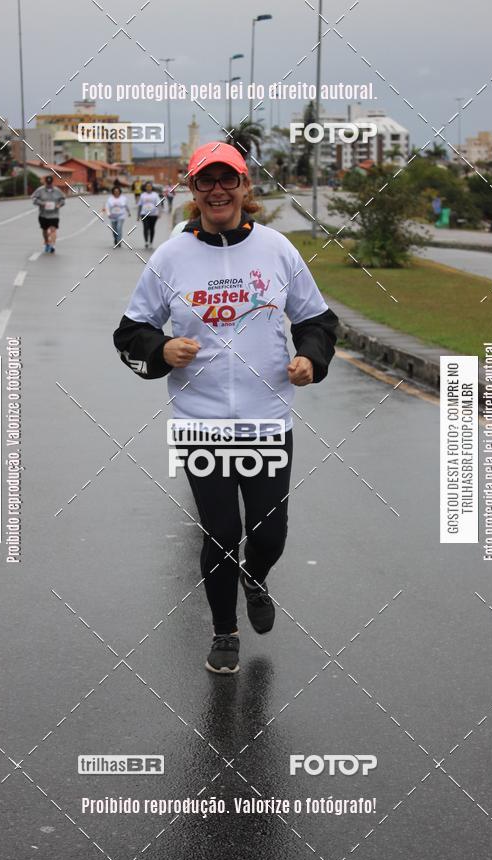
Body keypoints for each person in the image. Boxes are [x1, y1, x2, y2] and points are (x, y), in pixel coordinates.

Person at [113, 142, 338, 675]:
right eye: (205, 181)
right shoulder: (171, 257)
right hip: (201, 423)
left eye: (227, 180)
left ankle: (255, 577)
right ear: (193, 191)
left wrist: (310, 357)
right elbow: (130, 331)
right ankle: (224, 632)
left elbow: (318, 321)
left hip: (267, 418)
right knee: (220, 532)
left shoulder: (278, 250)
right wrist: (160, 350)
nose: (218, 190)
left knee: (269, 535)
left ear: (245, 187)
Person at [32, 174, 65, 254]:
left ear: (52, 183)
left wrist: (59, 205)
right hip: (43, 214)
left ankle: (52, 246)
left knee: (53, 229)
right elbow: (34, 199)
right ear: (45, 182)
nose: (49, 185)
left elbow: (63, 200)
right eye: (47, 183)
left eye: (50, 183)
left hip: (54, 214)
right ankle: (47, 242)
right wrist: (42, 203)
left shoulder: (57, 191)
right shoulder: (40, 190)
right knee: (45, 230)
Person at [137, 181, 161, 249]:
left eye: (150, 187)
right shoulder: (143, 195)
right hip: (144, 213)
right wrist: (138, 216)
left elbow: (158, 204)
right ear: (145, 188)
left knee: (152, 228)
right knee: (145, 227)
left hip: (153, 214)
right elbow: (140, 205)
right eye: (147, 187)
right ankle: (146, 242)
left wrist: (159, 213)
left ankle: (151, 242)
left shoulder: (155, 194)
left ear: (151, 187)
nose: (148, 188)